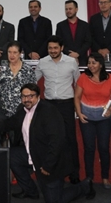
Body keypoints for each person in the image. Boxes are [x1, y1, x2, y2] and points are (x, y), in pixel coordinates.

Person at [0, 83, 95, 203]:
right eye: (24, 96)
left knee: (54, 200)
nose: (27, 99)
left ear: (38, 96)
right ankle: (30, 191)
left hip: (53, 161)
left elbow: (57, 142)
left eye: (30, 96)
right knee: (12, 155)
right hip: (34, 153)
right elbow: (8, 123)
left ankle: (85, 186)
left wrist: (48, 165)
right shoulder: (23, 111)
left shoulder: (48, 112)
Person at [35, 35, 80, 183]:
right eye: (50, 48)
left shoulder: (71, 62)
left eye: (55, 48)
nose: (52, 51)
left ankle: (74, 174)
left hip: (67, 104)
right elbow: (33, 82)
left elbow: (79, 83)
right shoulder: (42, 62)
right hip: (49, 106)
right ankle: (53, 172)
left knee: (70, 139)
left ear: (61, 48)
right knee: (51, 140)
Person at [74, 52, 111, 189]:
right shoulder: (83, 77)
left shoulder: (110, 78)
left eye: (94, 62)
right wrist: (79, 113)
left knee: (104, 148)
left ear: (101, 64)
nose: (91, 65)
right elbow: (76, 97)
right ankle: (89, 177)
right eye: (89, 63)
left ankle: (105, 177)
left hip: (104, 119)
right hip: (86, 118)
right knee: (89, 148)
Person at [0, 41, 36, 118]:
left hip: (23, 113)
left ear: (20, 53)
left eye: (15, 52)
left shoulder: (28, 70)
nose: (12, 55)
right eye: (9, 52)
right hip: (4, 113)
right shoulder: (3, 69)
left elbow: (34, 93)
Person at [55, 0, 91, 66]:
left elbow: (88, 42)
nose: (68, 11)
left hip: (82, 60)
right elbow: (59, 43)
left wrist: (78, 53)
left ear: (76, 9)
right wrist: (70, 54)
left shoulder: (85, 25)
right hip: (65, 59)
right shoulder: (60, 26)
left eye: (70, 9)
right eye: (66, 9)